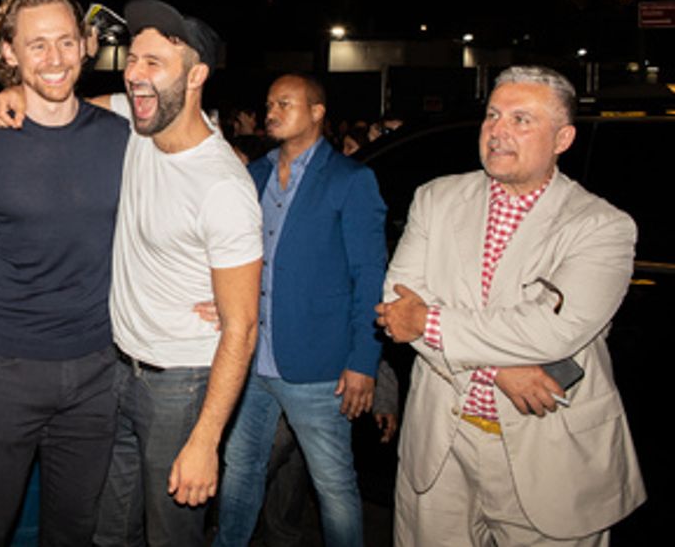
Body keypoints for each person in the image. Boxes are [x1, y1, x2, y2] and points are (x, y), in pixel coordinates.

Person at [377, 65, 645, 546]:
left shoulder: (601, 226)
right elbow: (398, 307)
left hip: (550, 452)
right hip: (441, 448)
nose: (498, 131)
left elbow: (552, 330)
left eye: (522, 120)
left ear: (562, 138)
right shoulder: (436, 199)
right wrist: (502, 371)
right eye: (493, 115)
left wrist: (430, 321)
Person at [0, 0, 129, 547]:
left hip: (101, 370)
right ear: (8, 53)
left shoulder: (123, 138)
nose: (54, 59)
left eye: (65, 42)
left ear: (86, 45)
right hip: (11, 371)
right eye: (36, 45)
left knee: (73, 533)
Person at [88, 0, 262, 547]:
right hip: (120, 371)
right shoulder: (140, 122)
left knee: (172, 536)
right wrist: (12, 103)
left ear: (196, 76)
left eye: (154, 63)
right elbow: (63, 108)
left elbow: (242, 326)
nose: (136, 74)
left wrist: (206, 439)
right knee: (109, 535)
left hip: (181, 388)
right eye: (132, 59)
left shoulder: (222, 185)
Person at [214, 74, 387, 547]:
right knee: (240, 472)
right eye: (268, 103)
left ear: (316, 112)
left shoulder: (351, 179)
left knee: (333, 486)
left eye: (284, 103)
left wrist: (362, 362)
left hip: (318, 366)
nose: (271, 111)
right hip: (250, 360)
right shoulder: (255, 175)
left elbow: (370, 276)